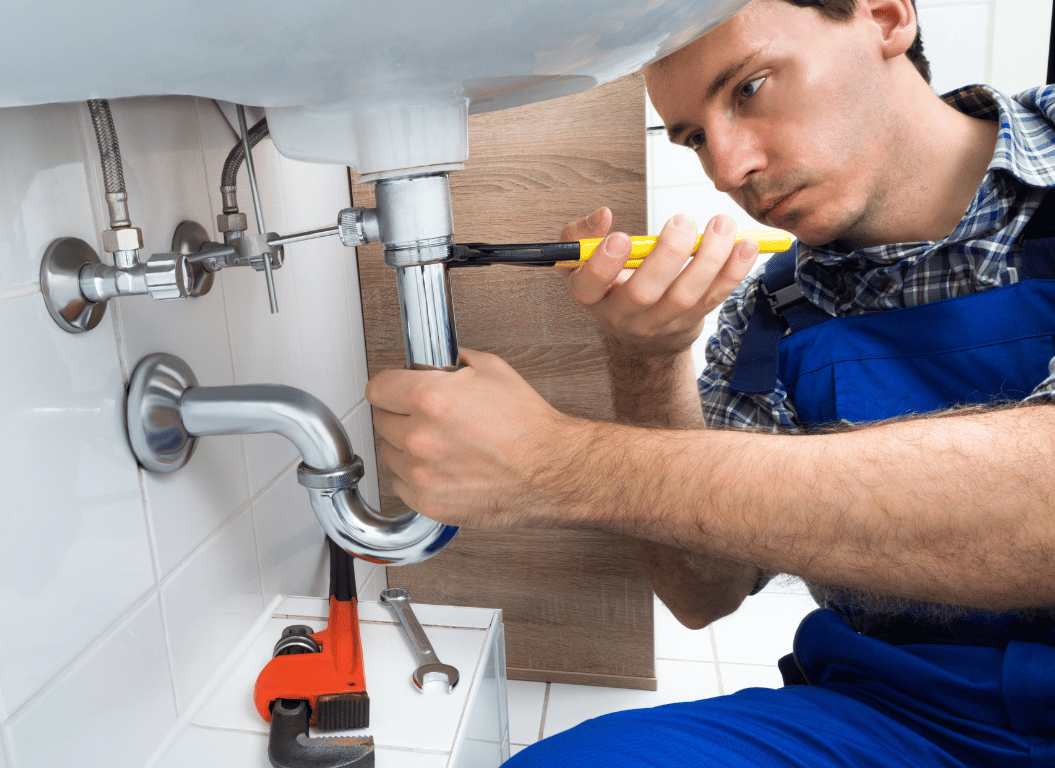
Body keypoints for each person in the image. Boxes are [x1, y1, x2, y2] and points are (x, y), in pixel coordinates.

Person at [364, 0, 1055, 763]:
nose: (728, 170)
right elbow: (704, 593)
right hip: (889, 716)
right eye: (693, 137)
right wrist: (648, 357)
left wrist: (552, 462)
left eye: (750, 88)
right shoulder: (769, 315)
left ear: (887, 16)